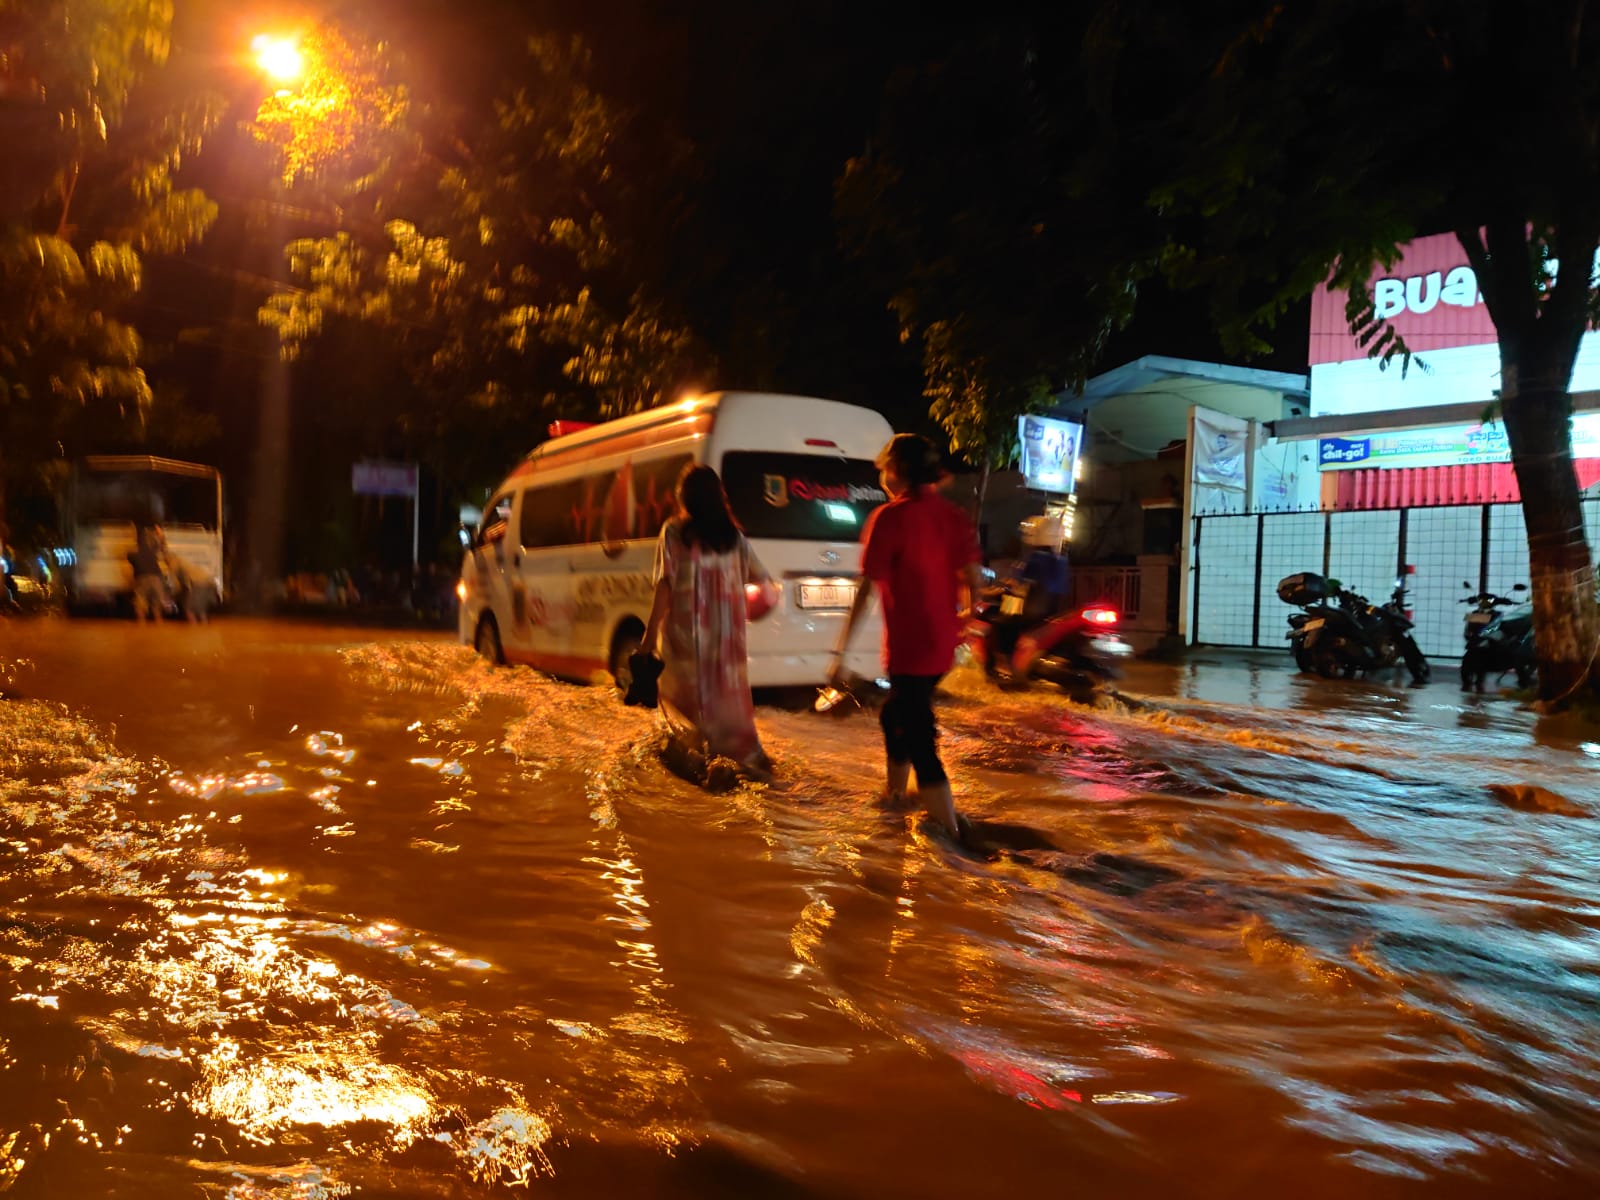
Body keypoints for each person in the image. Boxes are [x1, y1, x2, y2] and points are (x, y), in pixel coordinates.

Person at [830, 434, 982, 840]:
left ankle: (950, 836)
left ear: (898, 470)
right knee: (894, 715)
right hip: (942, 647)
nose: (881, 473)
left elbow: (865, 591)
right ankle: (895, 797)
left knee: (918, 737)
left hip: (911, 648)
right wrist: (964, 618)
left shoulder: (890, 518)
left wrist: (840, 651)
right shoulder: (953, 516)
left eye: (885, 466)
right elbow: (973, 581)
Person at [643, 463, 777, 784]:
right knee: (731, 722)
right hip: (727, 647)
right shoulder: (736, 540)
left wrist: (648, 640)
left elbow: (665, 585)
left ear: (685, 497)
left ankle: (703, 773)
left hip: (686, 643)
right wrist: (741, 613)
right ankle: (749, 769)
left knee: (684, 718)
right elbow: (767, 587)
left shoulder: (675, 532)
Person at [128, 524, 170, 622]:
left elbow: (130, 559)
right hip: (156, 578)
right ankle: (159, 625)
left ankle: (142, 626)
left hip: (142, 579)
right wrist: (161, 535)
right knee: (156, 605)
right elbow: (162, 547)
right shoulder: (152, 551)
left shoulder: (131, 554)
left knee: (140, 604)